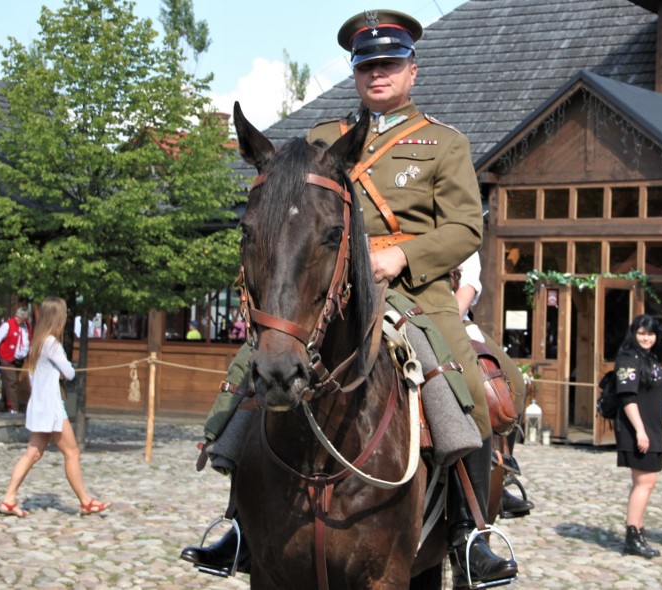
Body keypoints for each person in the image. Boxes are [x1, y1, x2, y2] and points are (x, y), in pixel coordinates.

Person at [182, 10, 518, 585]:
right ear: (356, 73)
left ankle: (470, 533)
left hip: (412, 292)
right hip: (326, 285)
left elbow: (465, 228)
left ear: (413, 70)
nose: (378, 74)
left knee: (465, 385)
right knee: (256, 365)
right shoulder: (319, 141)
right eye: (367, 66)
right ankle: (238, 523)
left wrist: (400, 256)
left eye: (389, 64)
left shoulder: (443, 144)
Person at [0, 297, 111, 518]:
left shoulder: (37, 342)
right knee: (72, 452)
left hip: (39, 404)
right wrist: (60, 372)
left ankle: (9, 498)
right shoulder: (52, 344)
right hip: (51, 407)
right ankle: (85, 502)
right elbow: (69, 372)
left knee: (32, 453)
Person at [454, 251, 534, 519]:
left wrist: (450, 316)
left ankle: (500, 475)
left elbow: (469, 278)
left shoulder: (453, 215)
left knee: (512, 380)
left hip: (451, 313)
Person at [613, 315, 662, 558]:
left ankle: (637, 529)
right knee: (646, 482)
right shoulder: (628, 358)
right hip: (636, 430)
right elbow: (628, 398)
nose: (646, 337)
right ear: (633, 333)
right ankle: (633, 536)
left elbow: (658, 402)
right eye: (641, 333)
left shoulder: (651, 359)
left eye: (650, 334)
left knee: (646, 482)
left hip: (652, 429)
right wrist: (640, 430)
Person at [0, 307, 32, 414]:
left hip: (20, 361)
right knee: (12, 382)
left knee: (8, 383)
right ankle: (13, 409)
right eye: (21, 319)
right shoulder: (7, 325)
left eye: (25, 320)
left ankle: (2, 407)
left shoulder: (27, 327)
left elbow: (29, 342)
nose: (22, 321)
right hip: (7, 359)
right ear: (17, 316)